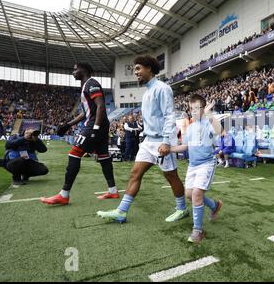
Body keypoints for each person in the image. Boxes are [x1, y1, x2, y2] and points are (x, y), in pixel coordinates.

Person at [96, 55, 188, 223]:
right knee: (135, 173)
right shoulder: (146, 93)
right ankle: (121, 212)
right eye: (135, 70)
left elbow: (169, 116)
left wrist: (166, 141)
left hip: (162, 141)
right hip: (148, 142)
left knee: (171, 177)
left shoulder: (162, 88)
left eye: (138, 69)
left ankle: (182, 209)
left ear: (149, 69)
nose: (136, 73)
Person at [40, 62, 119, 205]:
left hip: (96, 124)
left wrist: (95, 129)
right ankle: (113, 191)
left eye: (75, 69)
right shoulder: (85, 86)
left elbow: (101, 106)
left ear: (84, 70)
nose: (73, 72)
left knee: (74, 153)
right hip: (98, 124)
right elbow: (85, 112)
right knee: (104, 157)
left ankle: (64, 195)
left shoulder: (91, 83)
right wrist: (68, 124)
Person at [169, 95, 223, 243]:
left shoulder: (208, 122)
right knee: (189, 194)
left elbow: (219, 130)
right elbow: (185, 146)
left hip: (206, 163)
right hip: (192, 165)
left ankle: (198, 231)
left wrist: (209, 114)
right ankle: (215, 205)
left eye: (196, 108)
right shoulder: (191, 127)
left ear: (203, 108)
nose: (193, 111)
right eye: (191, 108)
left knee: (197, 194)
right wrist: (170, 149)